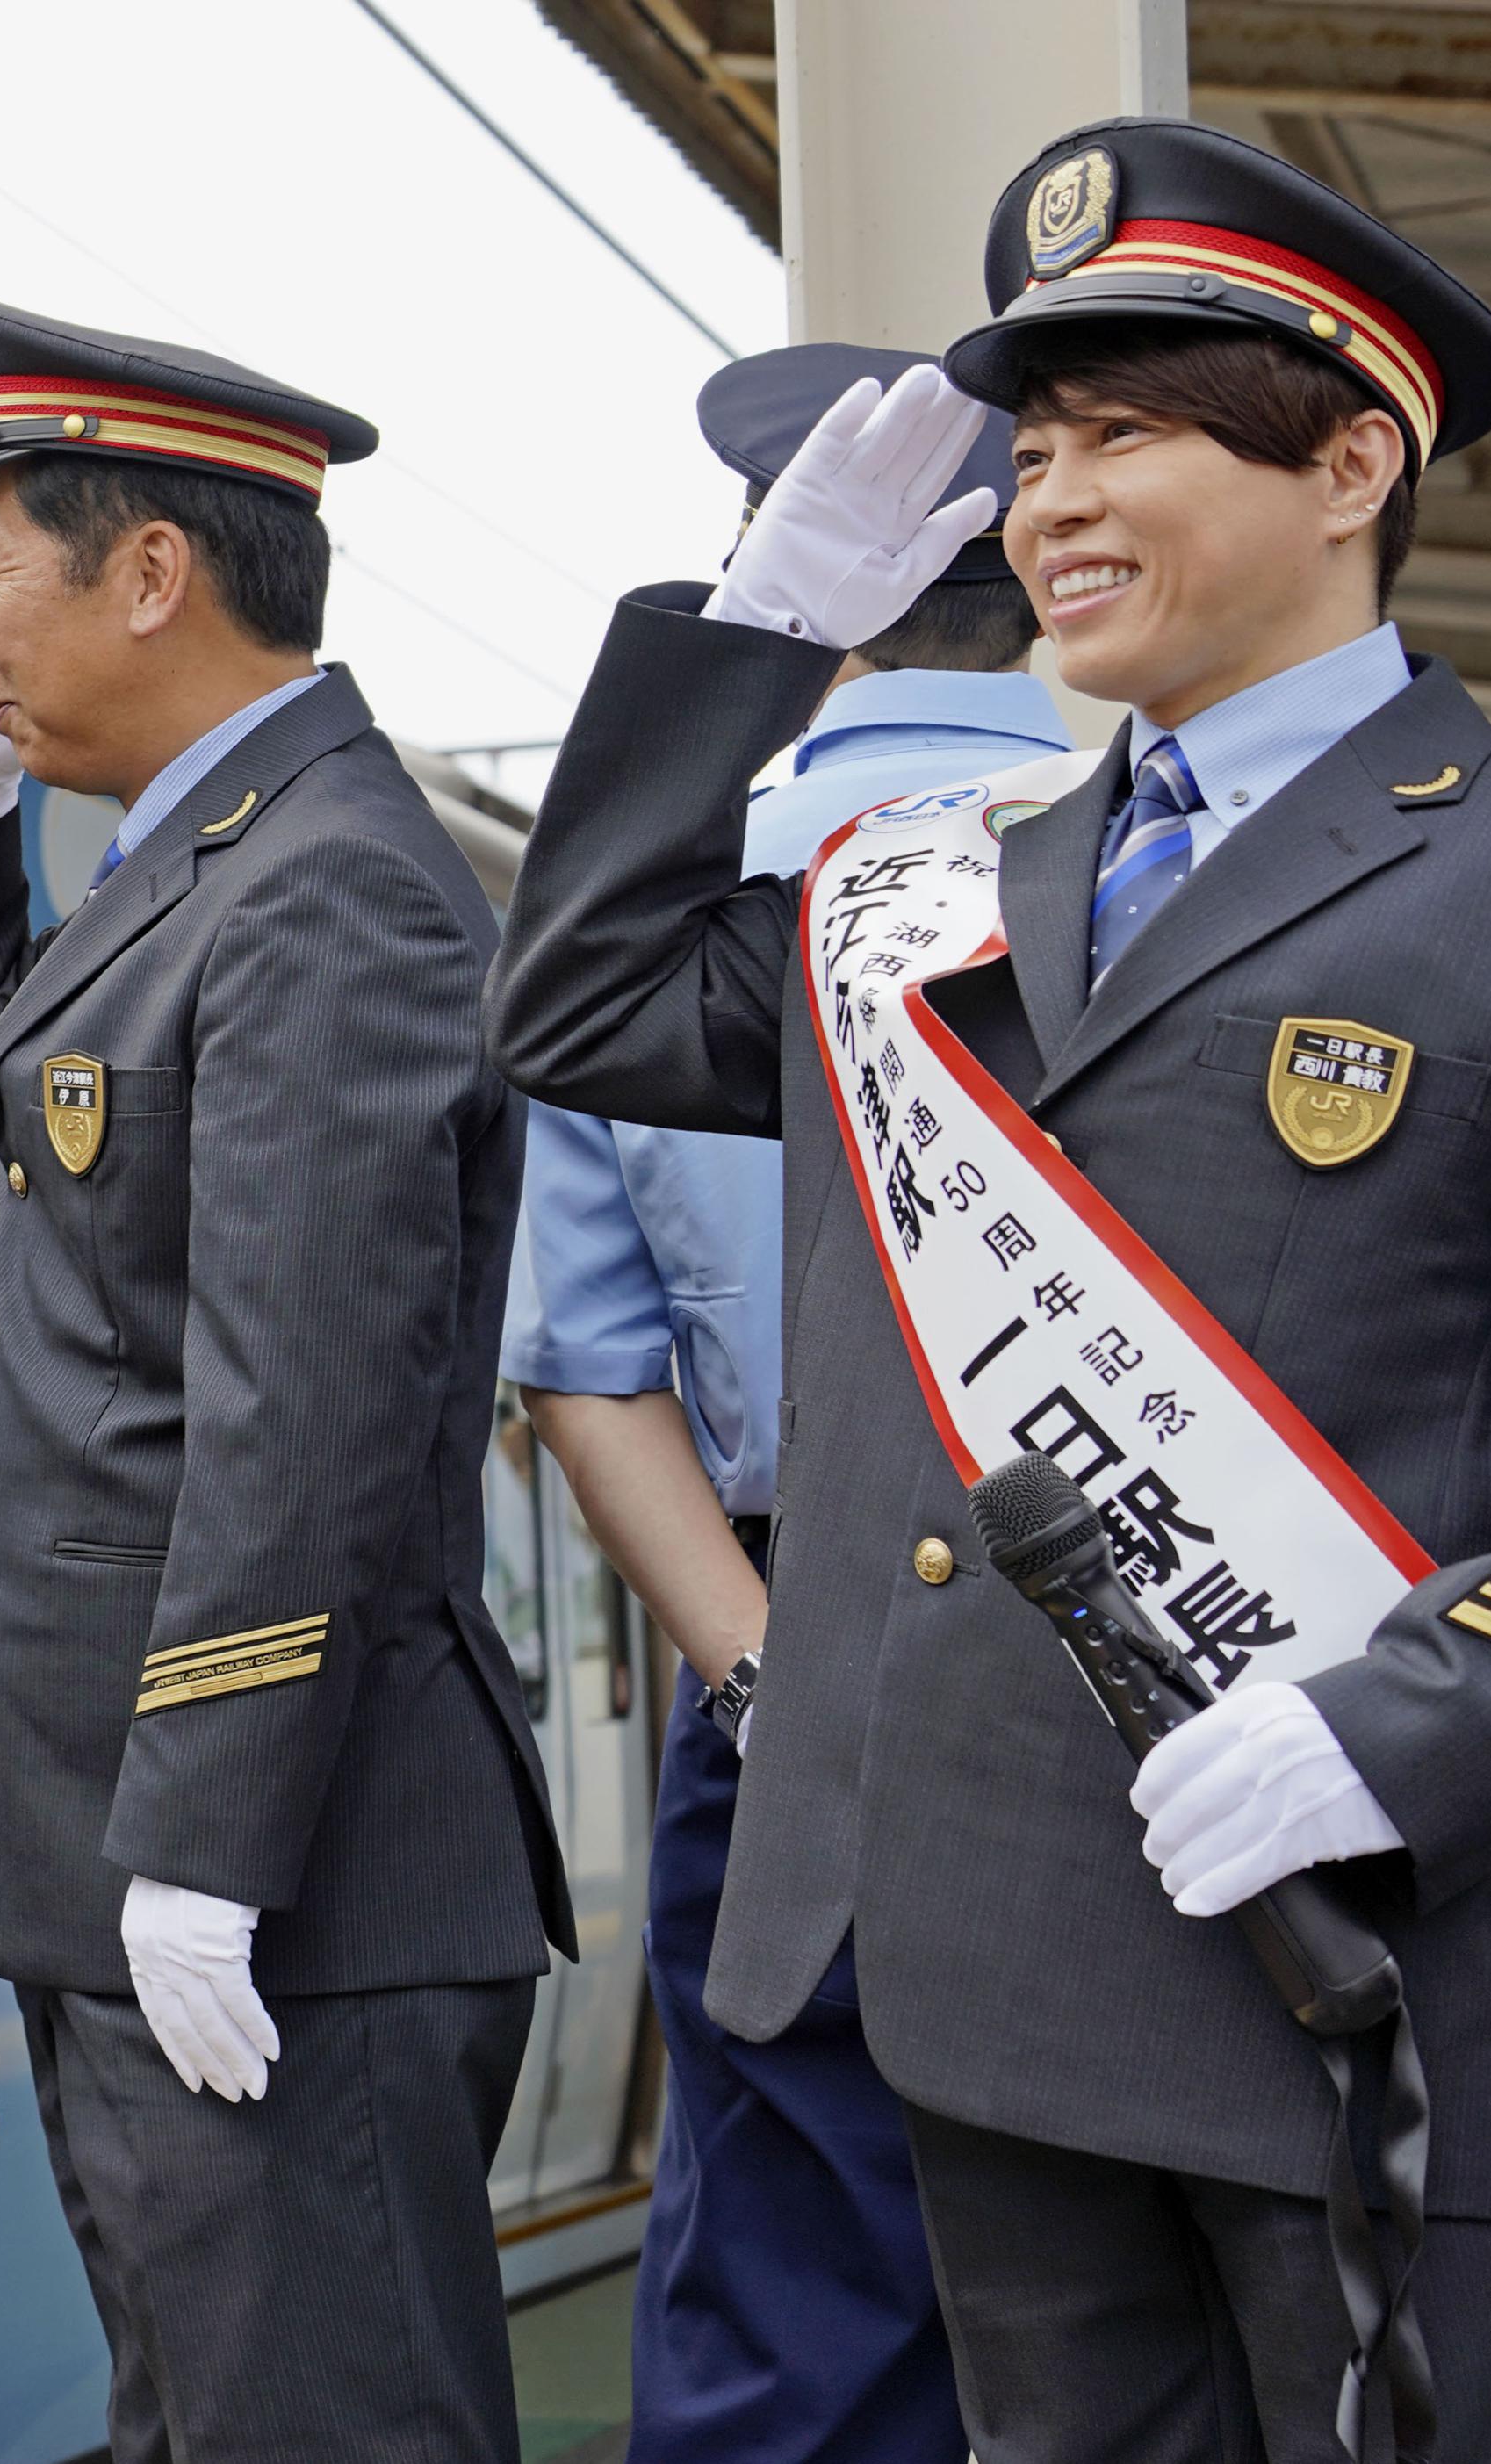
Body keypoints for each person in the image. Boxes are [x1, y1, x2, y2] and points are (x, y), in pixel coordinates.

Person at [490, 117, 1491, 2463]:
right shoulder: (937, 886)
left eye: (1132, 432)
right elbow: (571, 1001)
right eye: (1035, 445)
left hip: (1351, 1961)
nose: (1048, 500)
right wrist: (751, 635)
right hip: (977, 1960)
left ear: (1350, 461)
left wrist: (1404, 1732)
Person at [0, 291, 570, 2464]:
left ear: (149, 570)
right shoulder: (218, 866)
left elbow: (300, 1405)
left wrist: (205, 1842)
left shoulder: (329, 893)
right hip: (145, 1865)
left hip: (270, 1885)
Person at [508, 342, 1059, 2464]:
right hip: (1161, 1669)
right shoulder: (1176, 846)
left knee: (792, 2294)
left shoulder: (659, 908)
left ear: (779, 566)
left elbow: (581, 1363)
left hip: (792, 1662)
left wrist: (759, 1671)